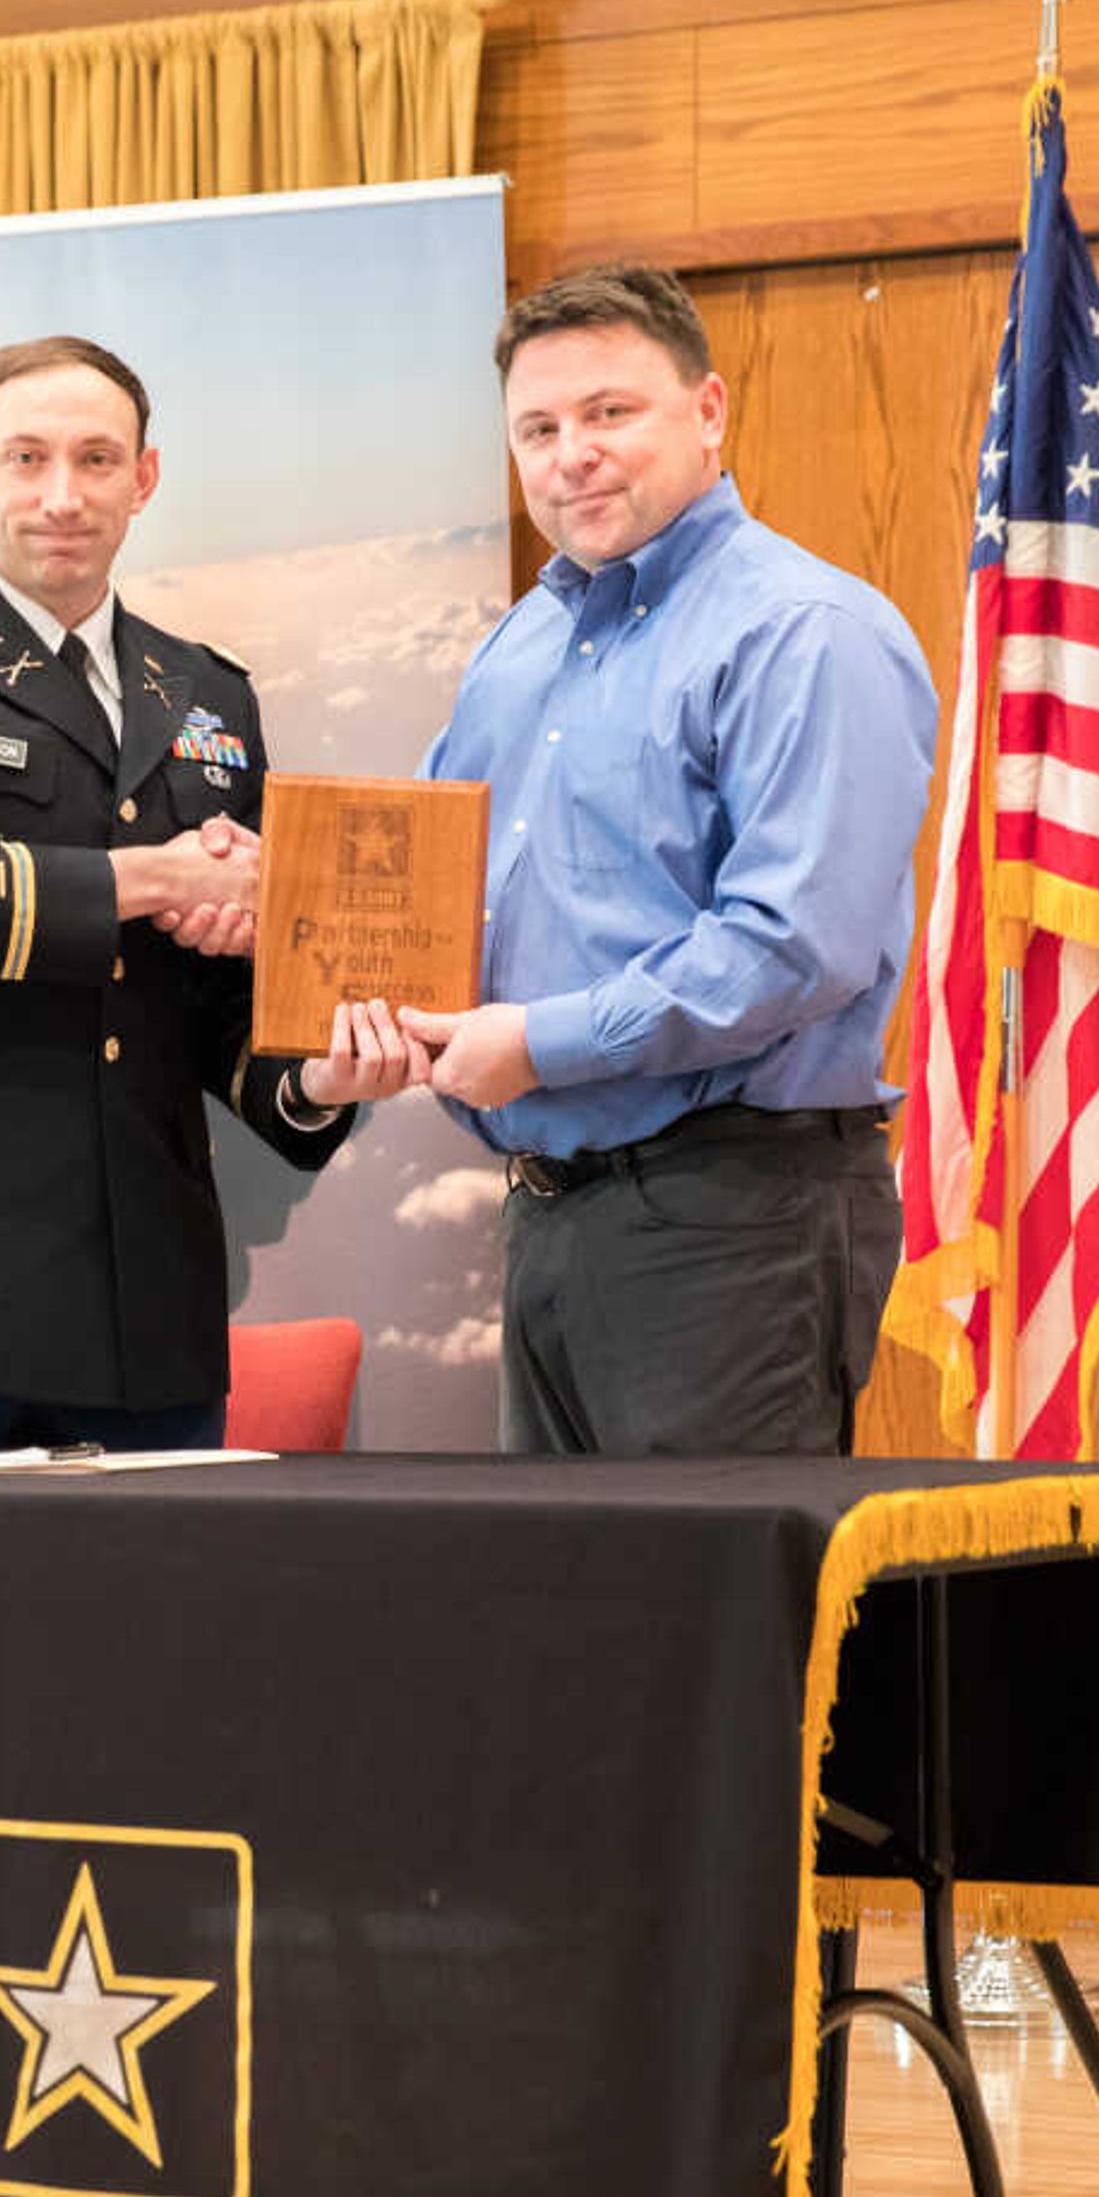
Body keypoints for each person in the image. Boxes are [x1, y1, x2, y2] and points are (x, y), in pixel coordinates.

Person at [0, 335, 422, 1454]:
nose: (62, 494)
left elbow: (215, 995)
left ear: (144, 478)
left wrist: (313, 1076)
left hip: (143, 1294)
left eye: (97, 459)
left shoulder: (208, 691)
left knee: (152, 1628)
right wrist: (160, 875)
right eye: (25, 458)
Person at [393, 265, 937, 1457]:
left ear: (708, 411)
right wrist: (265, 903)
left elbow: (794, 945)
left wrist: (535, 1041)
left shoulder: (804, 630)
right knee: (567, 1624)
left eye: (608, 413)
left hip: (733, 1220)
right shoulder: (524, 644)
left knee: (713, 1627)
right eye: (537, 429)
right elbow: (430, 877)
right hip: (546, 1210)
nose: (570, 454)